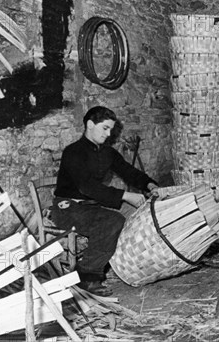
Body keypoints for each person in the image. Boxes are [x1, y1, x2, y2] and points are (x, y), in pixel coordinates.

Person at [53, 106, 159, 296]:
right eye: (105, 128)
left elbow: (128, 171)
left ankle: (129, 263)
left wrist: (150, 185)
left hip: (91, 204)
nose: (109, 134)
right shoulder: (74, 152)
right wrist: (125, 195)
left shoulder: (106, 153)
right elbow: (88, 187)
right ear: (90, 125)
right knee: (112, 221)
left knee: (137, 213)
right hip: (68, 208)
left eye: (111, 129)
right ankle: (85, 276)